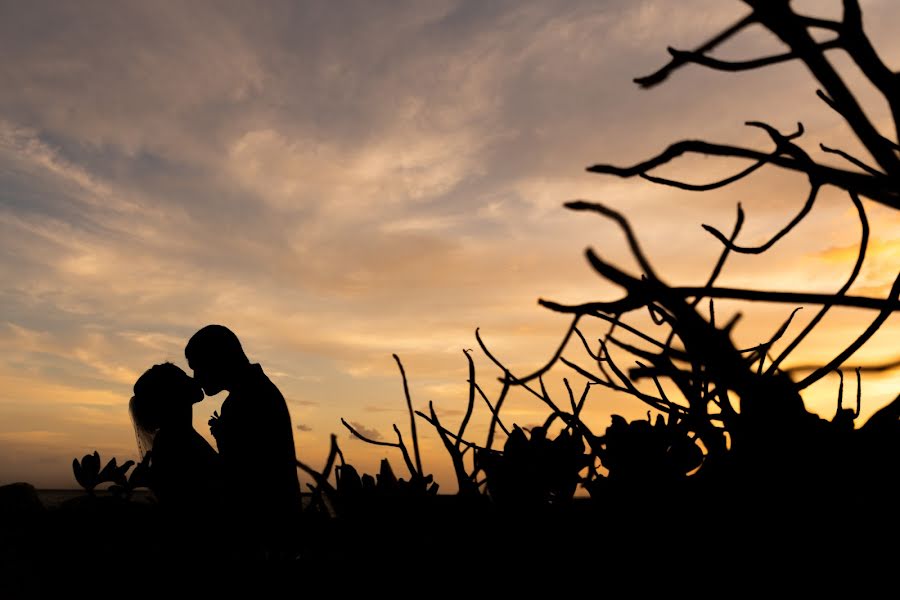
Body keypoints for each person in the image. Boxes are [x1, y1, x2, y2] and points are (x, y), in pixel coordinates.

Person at [185, 324, 302, 558]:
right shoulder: (254, 391)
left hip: (264, 536)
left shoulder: (249, 399)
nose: (196, 377)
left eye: (198, 367)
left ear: (218, 359)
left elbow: (242, 476)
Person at [129, 362, 225, 518]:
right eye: (184, 376)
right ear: (172, 393)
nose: (193, 379)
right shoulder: (174, 441)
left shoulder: (178, 435)